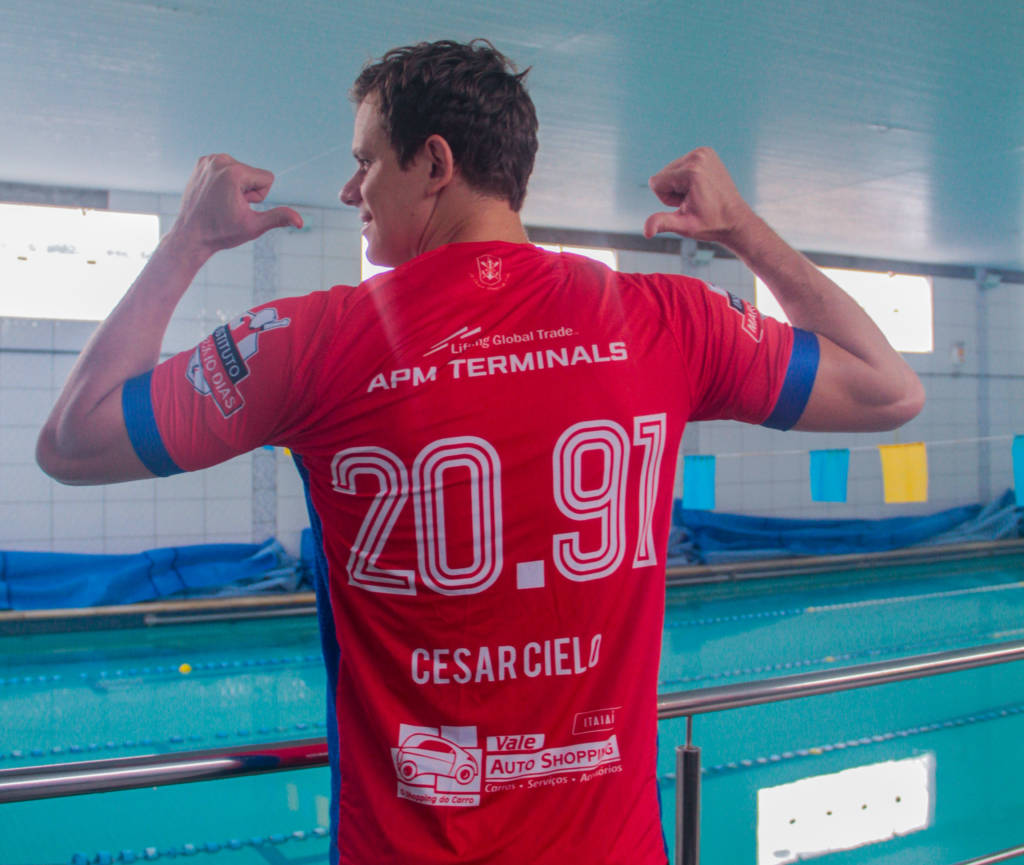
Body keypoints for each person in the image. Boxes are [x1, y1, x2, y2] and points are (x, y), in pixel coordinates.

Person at [37, 39, 923, 865]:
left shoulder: (311, 342)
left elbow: (74, 441)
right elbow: (887, 388)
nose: (351, 190)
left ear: (435, 164)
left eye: (365, 161)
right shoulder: (664, 320)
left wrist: (190, 238)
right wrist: (740, 229)